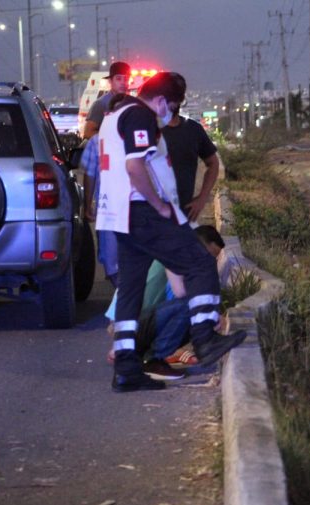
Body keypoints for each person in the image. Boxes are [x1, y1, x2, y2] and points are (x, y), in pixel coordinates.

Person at [96, 72, 246, 392]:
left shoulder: (113, 115)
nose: (171, 113)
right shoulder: (140, 115)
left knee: (131, 290)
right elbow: (135, 167)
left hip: (118, 216)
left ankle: (126, 368)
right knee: (200, 264)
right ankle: (205, 338)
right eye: (172, 105)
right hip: (143, 212)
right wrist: (161, 207)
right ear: (162, 100)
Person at [104, 225, 227, 380]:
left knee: (196, 313)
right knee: (191, 306)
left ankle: (140, 355)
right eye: (209, 256)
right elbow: (182, 294)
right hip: (129, 328)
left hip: (126, 327)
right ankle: (154, 360)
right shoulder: (176, 256)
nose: (210, 263)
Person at [162, 72, 219, 222]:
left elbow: (213, 163)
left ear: (182, 98)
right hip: (152, 219)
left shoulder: (194, 130)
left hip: (184, 216)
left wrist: (202, 199)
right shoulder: (147, 130)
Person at [81, 133, 119, 287]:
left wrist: (88, 203)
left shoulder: (98, 140)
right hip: (134, 208)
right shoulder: (142, 135)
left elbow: (89, 174)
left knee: (112, 260)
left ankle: (123, 299)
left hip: (109, 210)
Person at [82, 61, 131, 140]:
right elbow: (88, 132)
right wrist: (112, 138)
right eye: (118, 79)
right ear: (110, 81)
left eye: (126, 79)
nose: (123, 83)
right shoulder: (101, 104)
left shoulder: (131, 103)